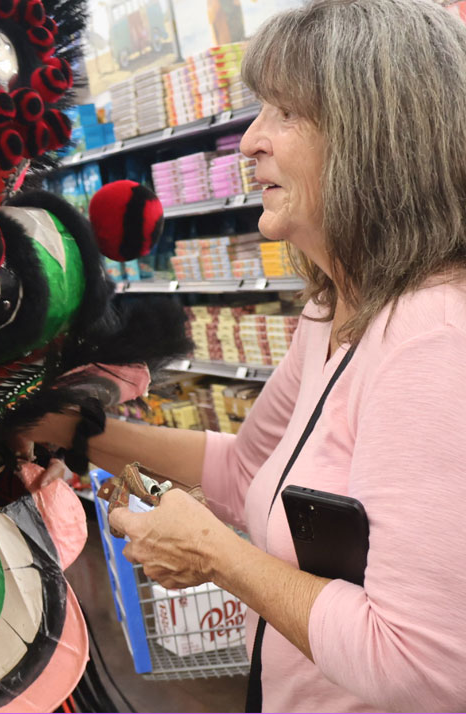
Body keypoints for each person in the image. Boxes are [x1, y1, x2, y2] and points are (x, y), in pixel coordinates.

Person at [27, 0, 466, 710]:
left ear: (381, 137)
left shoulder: (434, 341)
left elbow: (422, 664)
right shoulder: (330, 315)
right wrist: (62, 427)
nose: (249, 141)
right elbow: (245, 471)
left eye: (285, 112)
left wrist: (217, 555)